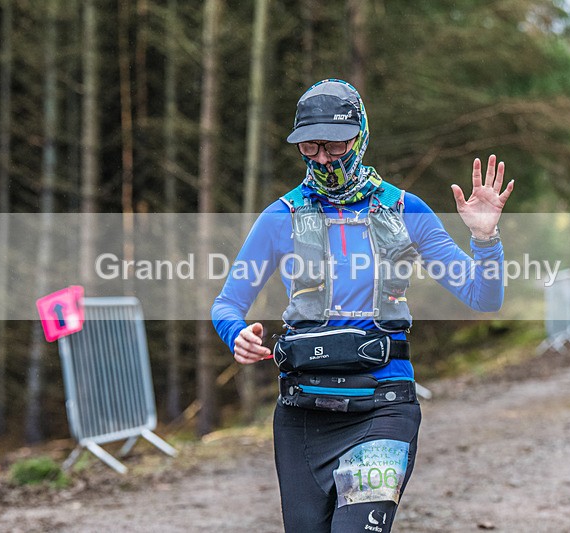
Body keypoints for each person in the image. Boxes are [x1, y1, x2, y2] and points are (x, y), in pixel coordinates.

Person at [211, 78, 513, 533]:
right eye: (309, 148)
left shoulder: (405, 210)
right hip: (303, 413)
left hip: (383, 406)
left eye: (334, 145)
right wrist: (237, 334)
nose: (323, 159)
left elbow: (482, 296)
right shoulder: (282, 216)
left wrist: (485, 239)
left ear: (361, 136)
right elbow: (227, 303)